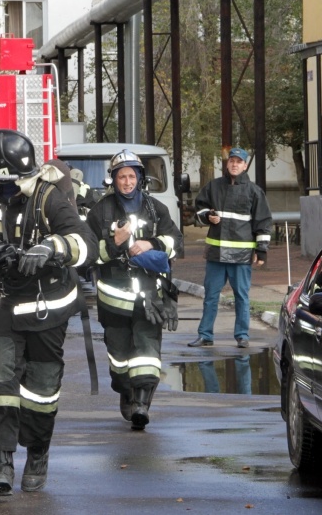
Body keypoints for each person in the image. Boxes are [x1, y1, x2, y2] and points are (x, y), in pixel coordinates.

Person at [0, 129, 98, 495]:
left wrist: (51, 248)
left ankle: (37, 453)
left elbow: (85, 244)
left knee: (41, 392)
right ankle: (1, 463)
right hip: (2, 304)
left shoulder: (49, 198)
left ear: (6, 168)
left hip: (46, 309)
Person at [86, 149, 182, 431]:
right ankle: (126, 391)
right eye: (121, 177)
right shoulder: (100, 211)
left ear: (140, 178)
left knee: (147, 349)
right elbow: (90, 254)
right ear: (113, 180)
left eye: (132, 176)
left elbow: (176, 241)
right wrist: (117, 243)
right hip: (114, 298)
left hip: (149, 297)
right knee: (119, 357)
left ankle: (142, 403)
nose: (127, 182)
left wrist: (153, 244)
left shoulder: (156, 209)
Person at [187, 147, 272, 349]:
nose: (234, 164)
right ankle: (205, 335)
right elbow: (199, 209)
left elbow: (263, 222)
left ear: (245, 165)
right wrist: (208, 216)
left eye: (238, 161)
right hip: (216, 255)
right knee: (211, 297)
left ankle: (242, 336)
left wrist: (261, 250)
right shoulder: (213, 187)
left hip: (241, 257)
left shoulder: (254, 191)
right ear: (227, 164)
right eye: (231, 161)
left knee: (241, 297)